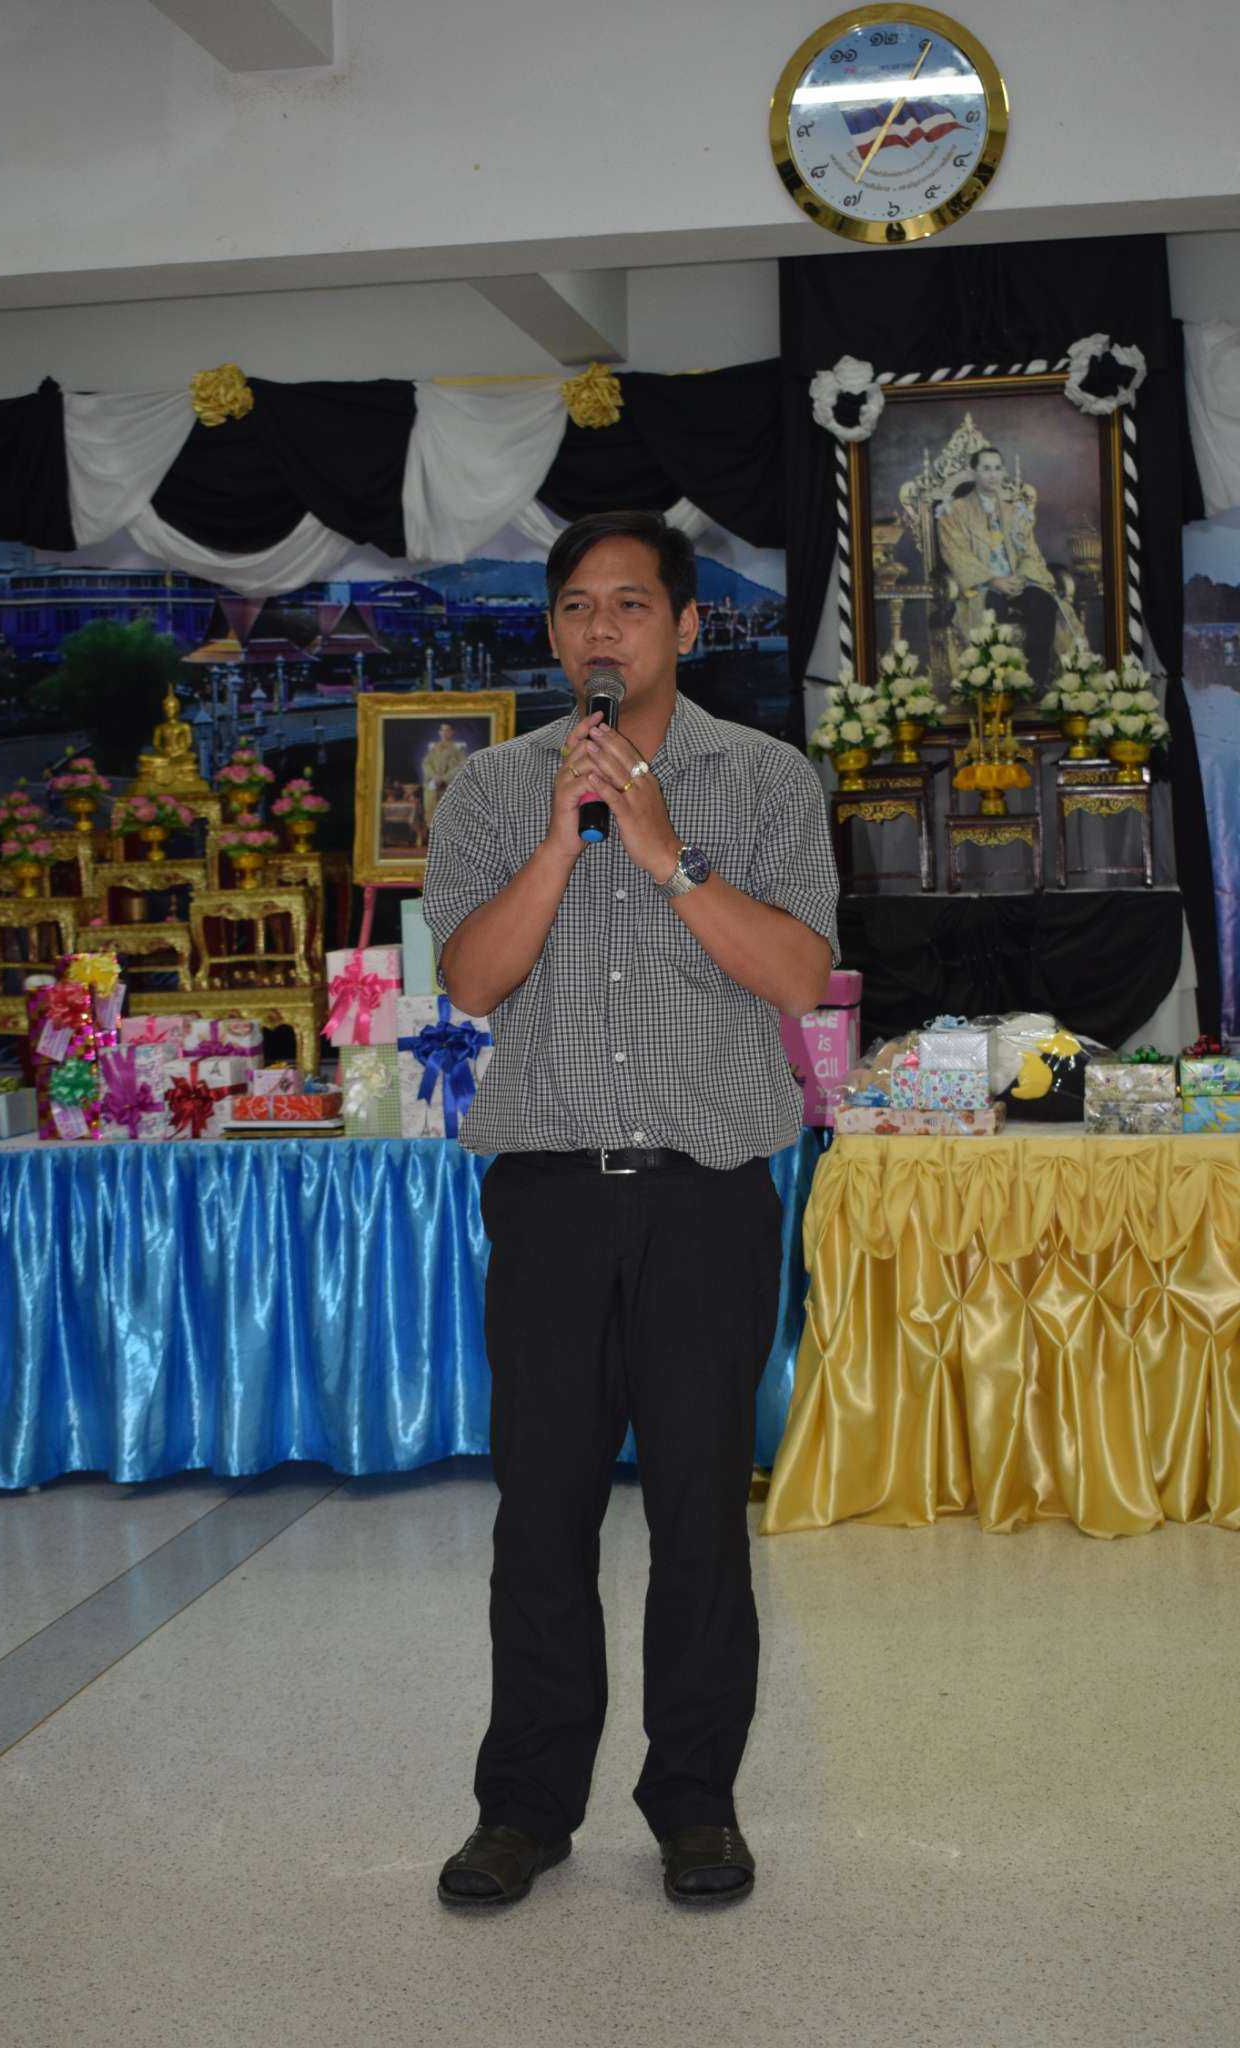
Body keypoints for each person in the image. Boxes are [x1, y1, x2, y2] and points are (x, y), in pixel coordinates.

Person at [422, 509, 839, 1911]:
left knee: (699, 1519)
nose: (602, 628)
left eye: (632, 604)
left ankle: (696, 1804)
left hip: (705, 1199)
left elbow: (796, 977)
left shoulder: (764, 779)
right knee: (538, 1518)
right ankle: (523, 1809)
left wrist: (665, 853)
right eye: (577, 607)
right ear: (553, 633)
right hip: (547, 1200)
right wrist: (561, 842)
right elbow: (471, 983)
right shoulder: (495, 790)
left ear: (687, 625)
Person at [936, 444, 1075, 685]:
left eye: (997, 468)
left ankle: (1036, 681)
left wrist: (1020, 577)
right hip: (981, 586)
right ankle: (997, 685)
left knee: (1043, 603)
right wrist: (992, 580)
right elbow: (956, 554)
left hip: (1017, 582)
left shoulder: (1015, 512)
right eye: (986, 468)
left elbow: (1030, 552)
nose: (993, 475)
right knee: (992, 610)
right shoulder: (954, 511)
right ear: (973, 472)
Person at [421, 721, 470, 829]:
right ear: (439, 732)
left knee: (449, 809)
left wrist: (444, 778)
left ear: (452, 732)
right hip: (434, 782)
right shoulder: (434, 748)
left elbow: (461, 765)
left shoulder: (457, 749)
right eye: (442, 730)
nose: (444, 733)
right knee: (430, 800)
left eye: (447, 730)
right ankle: (432, 828)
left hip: (449, 783)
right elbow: (426, 763)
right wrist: (434, 776)